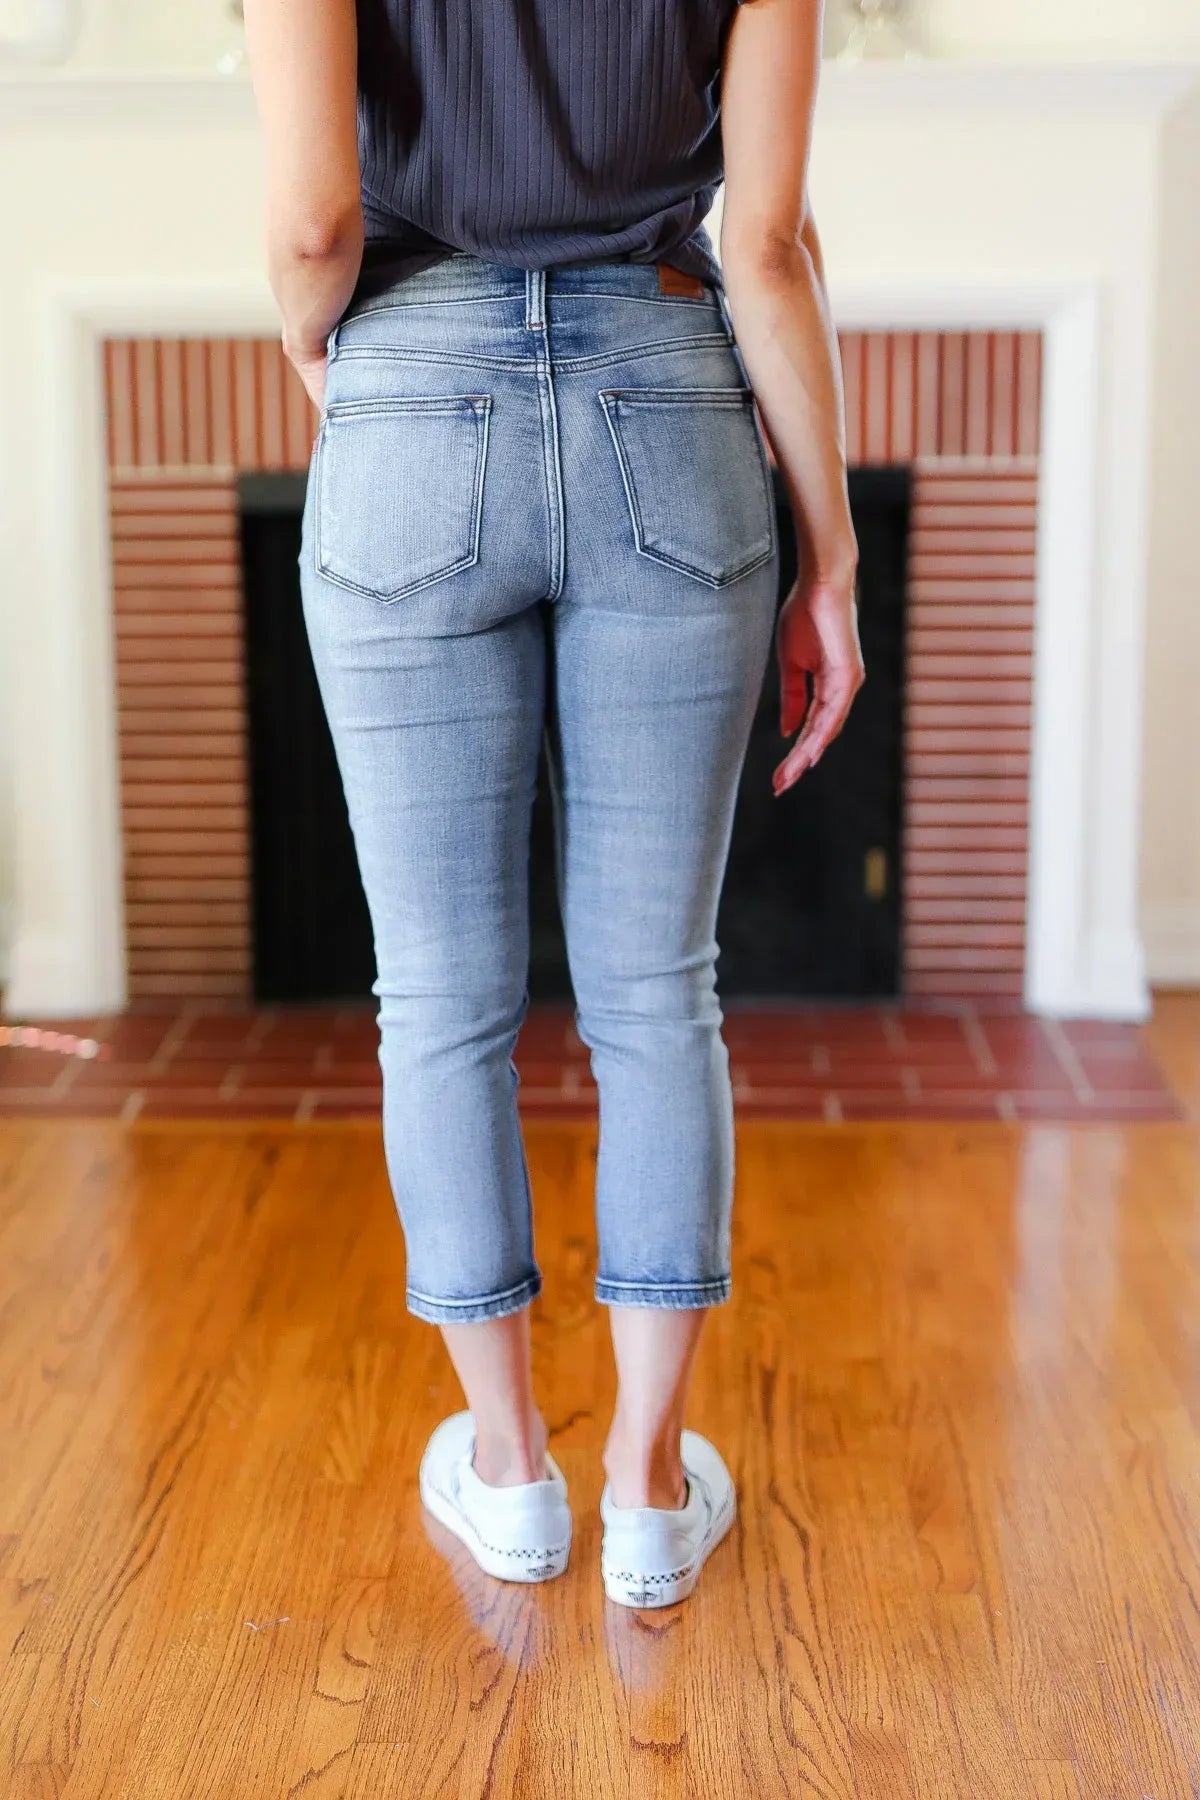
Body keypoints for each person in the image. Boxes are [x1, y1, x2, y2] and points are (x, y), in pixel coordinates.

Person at [243, 0, 862, 1608]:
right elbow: (770, 244)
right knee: (658, 995)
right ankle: (647, 1489)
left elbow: (314, 225)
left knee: (439, 999)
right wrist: (834, 557)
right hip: (669, 394)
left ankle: (512, 1474)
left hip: (412, 386)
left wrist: (323, 352)